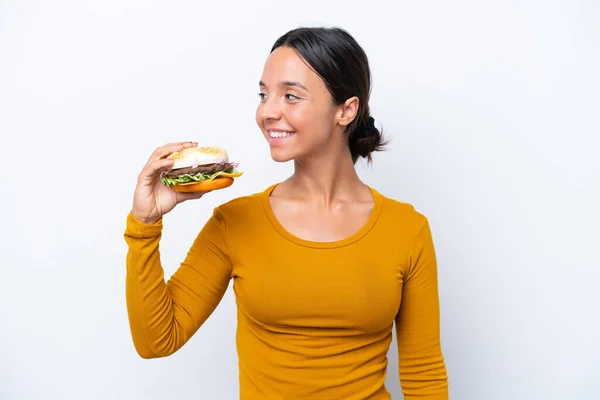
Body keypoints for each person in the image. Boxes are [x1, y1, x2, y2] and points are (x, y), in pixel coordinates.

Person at [124, 27, 449, 399]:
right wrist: (144, 226)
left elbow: (424, 375)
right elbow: (157, 340)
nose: (268, 112)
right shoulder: (235, 222)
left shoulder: (406, 230)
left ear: (346, 110)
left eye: (290, 96)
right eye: (264, 95)